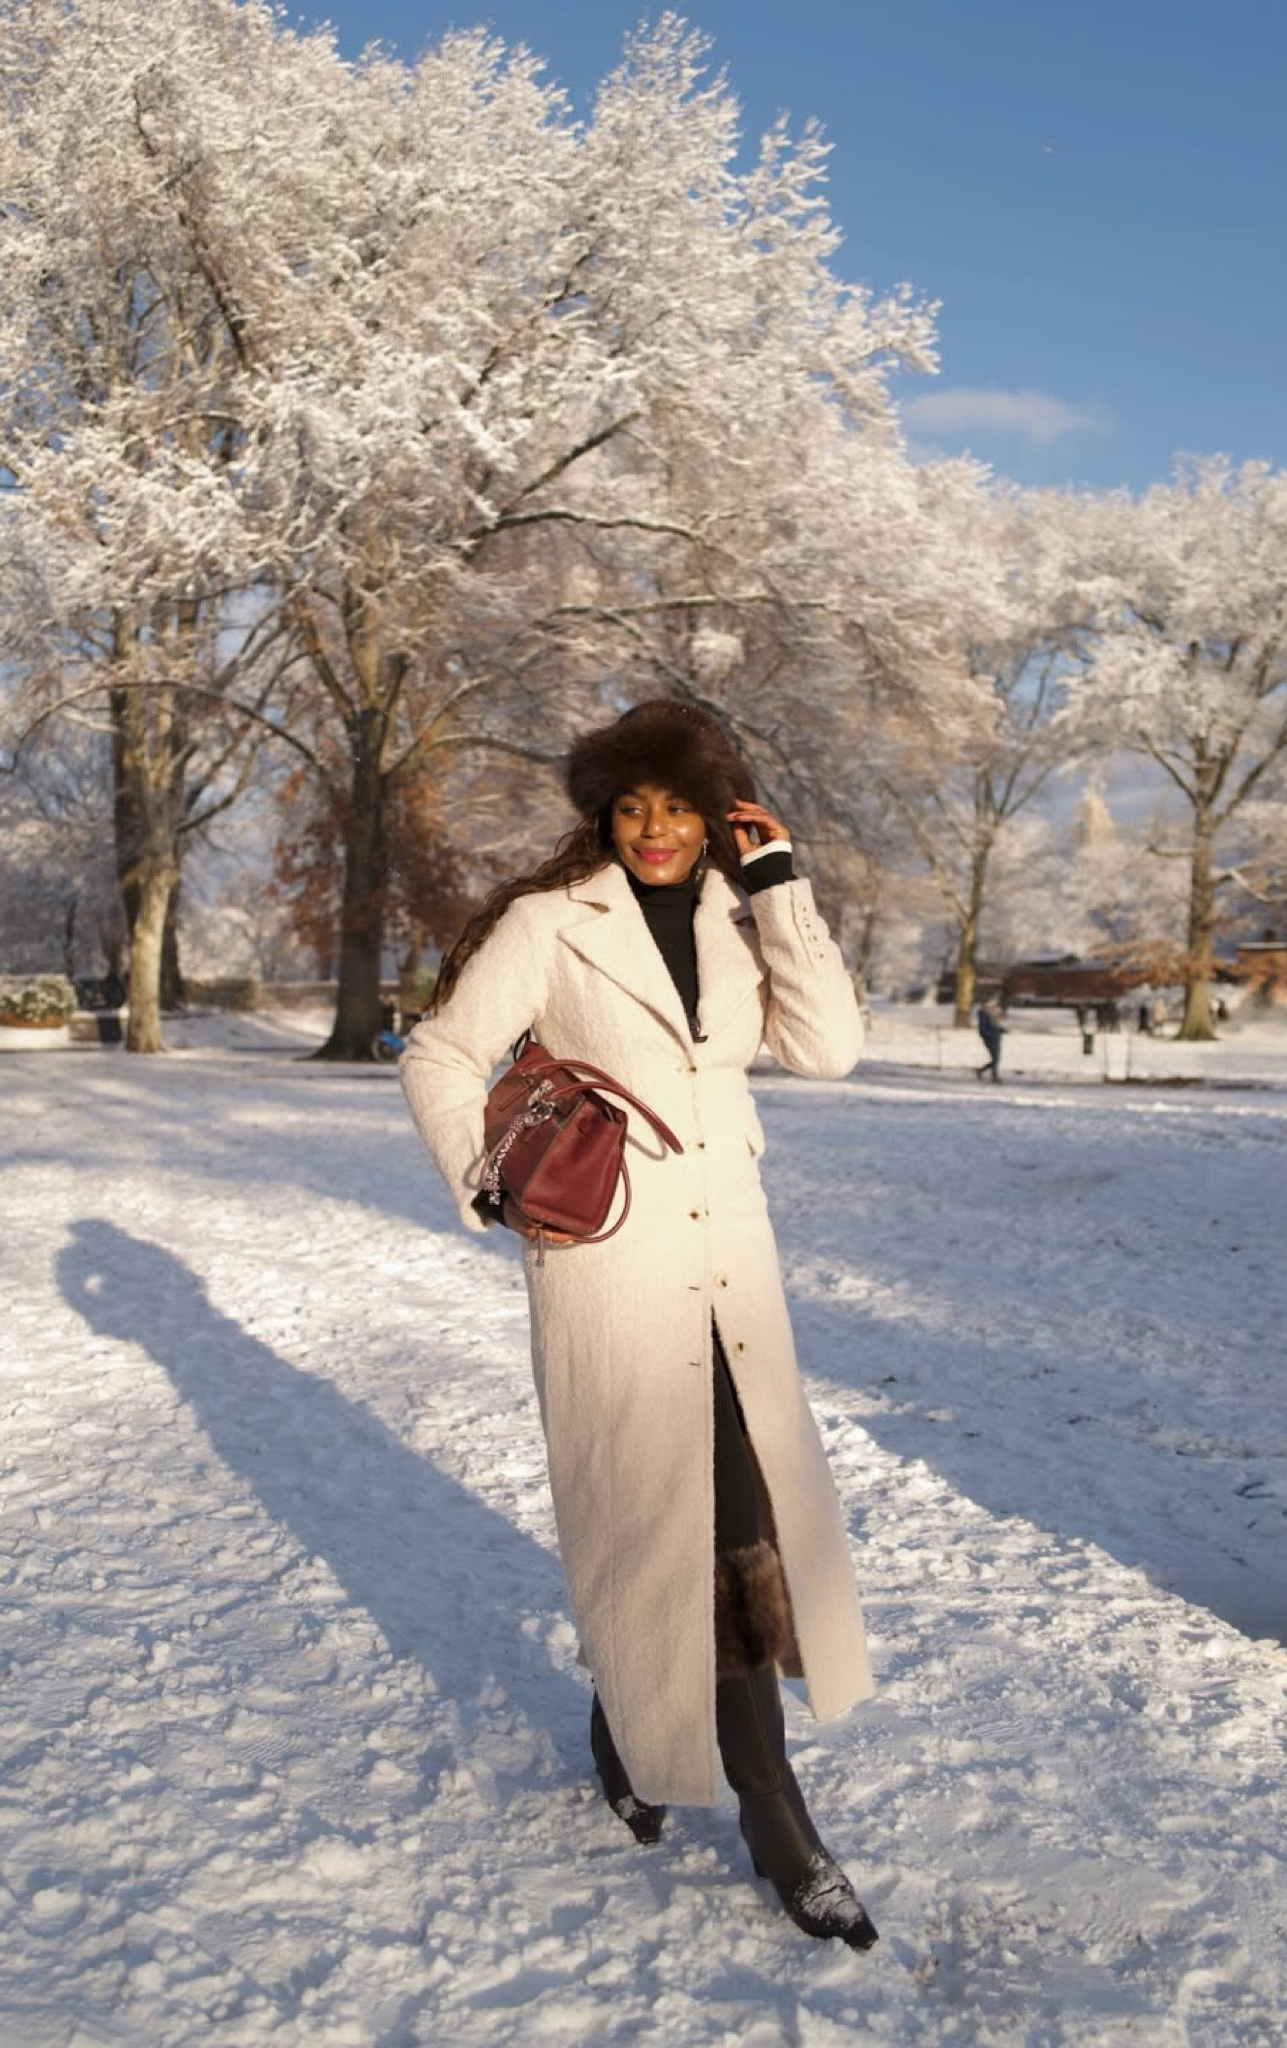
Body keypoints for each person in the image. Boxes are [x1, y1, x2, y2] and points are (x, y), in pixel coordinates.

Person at [399, 702, 877, 1947]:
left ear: (714, 810)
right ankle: (780, 1818)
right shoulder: (550, 923)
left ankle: (630, 1706)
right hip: (610, 1260)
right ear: (603, 815)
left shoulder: (736, 910)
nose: (656, 829)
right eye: (632, 807)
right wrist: (494, 1184)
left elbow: (827, 1050)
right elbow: (443, 1053)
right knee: (678, 1513)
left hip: (733, 1265)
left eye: (678, 805)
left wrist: (781, 888)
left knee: (738, 1509)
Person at [975, 997, 1005, 1082]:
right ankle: (994, 1076)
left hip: (996, 1038)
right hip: (990, 1039)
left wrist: (1000, 1030)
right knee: (995, 1058)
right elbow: (983, 1028)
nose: (995, 1007)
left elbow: (994, 1026)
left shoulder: (992, 1015)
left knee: (996, 1058)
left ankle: (981, 1071)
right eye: (994, 1006)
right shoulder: (984, 1015)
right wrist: (988, 1035)